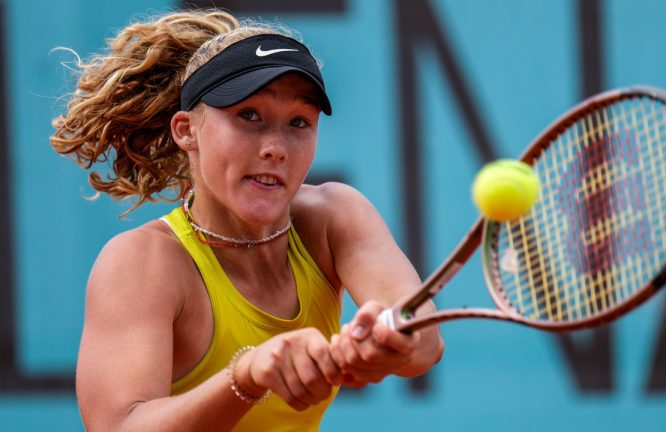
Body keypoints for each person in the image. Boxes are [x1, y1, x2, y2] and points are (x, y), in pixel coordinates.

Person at [50, 9, 443, 431]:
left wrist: (384, 343)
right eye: (248, 116)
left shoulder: (334, 217)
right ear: (187, 130)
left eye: (298, 122)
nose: (276, 147)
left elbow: (425, 342)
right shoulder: (141, 263)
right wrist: (246, 375)